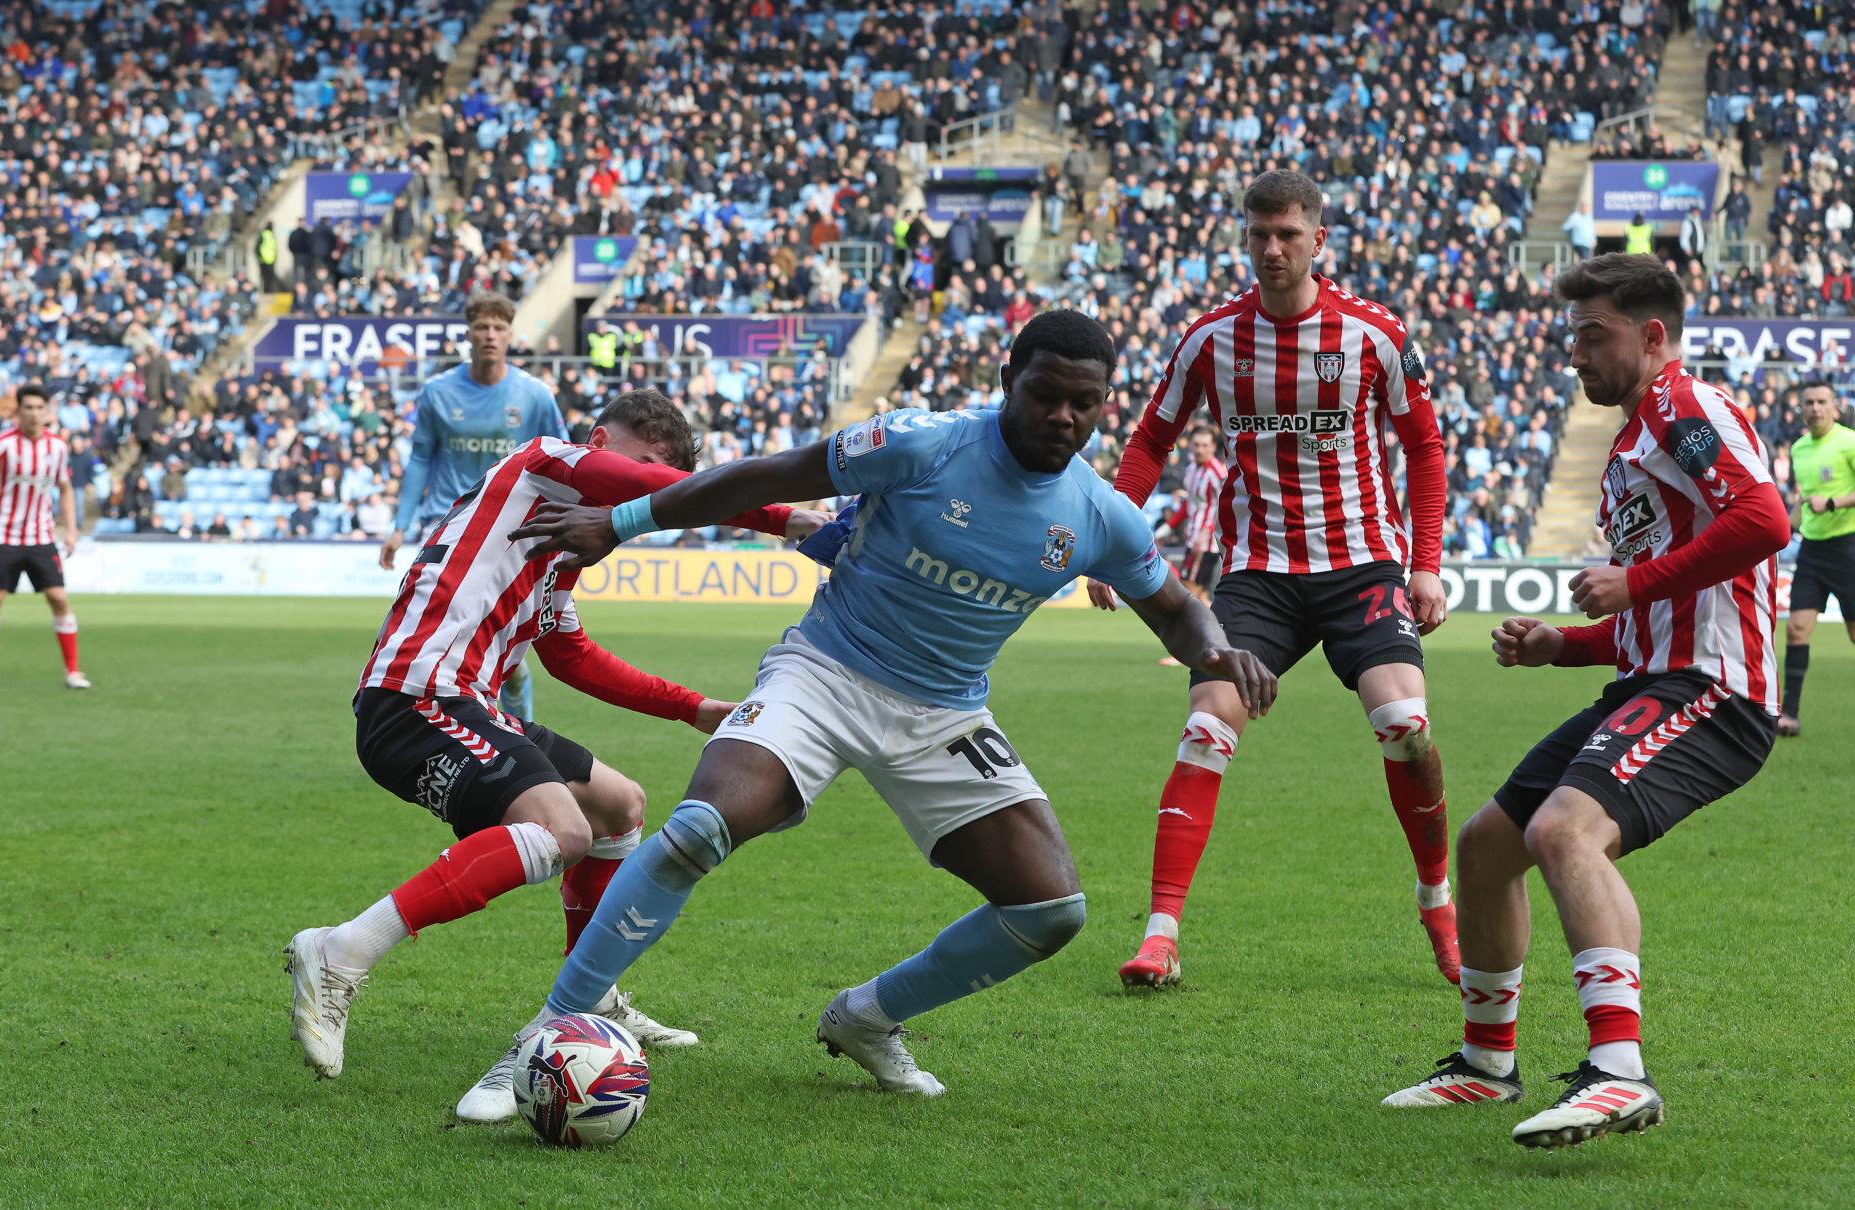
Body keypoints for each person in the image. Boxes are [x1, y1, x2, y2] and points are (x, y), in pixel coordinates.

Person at [502, 310, 1278, 1096]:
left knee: (1050, 911)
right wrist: (623, 521)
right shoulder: (923, 442)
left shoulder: (1100, 514)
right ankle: (550, 1031)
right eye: (1046, 394)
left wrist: (1219, 651)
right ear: (1009, 381)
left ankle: (868, 1017)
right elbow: (771, 474)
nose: (1063, 417)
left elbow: (1176, 611)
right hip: (825, 673)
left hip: (945, 714)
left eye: (1085, 403)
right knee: (699, 828)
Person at [283, 390, 829, 1109]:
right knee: (562, 830)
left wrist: (691, 708)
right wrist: (782, 517)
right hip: (415, 697)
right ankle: (342, 950)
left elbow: (571, 657)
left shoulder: (558, 547)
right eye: (644, 464)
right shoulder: (546, 461)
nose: (648, 488)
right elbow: (650, 489)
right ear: (599, 442)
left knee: (619, 805)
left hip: (468, 703)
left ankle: (590, 993)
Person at [1384, 254, 1789, 1149]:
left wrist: (1633, 581)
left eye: (1593, 336)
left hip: (1716, 690)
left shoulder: (1683, 406)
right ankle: (1487, 1064)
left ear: (1653, 336)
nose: (1575, 355)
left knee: (1564, 832)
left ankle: (1619, 1072)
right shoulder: (1637, 437)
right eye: (1572, 337)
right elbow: (1657, 615)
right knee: (1486, 847)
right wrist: (1562, 645)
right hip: (1653, 681)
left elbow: (1765, 521)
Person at [1089, 170, 1454, 989]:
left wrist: (1426, 564)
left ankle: (1436, 898)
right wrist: (1111, 535)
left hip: (1362, 566)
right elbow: (1150, 441)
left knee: (1405, 724)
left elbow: (1424, 448)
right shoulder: (1210, 338)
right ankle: (1160, 934)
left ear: (1318, 239)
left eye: (1288, 234)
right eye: (1259, 234)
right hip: (1260, 574)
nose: (1272, 249)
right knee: (1206, 726)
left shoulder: (1374, 334)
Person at [381, 292, 565, 724]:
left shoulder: (535, 396)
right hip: (447, 527)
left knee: (505, 656)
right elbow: (420, 458)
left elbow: (564, 458)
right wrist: (400, 526)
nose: (490, 335)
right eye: (482, 327)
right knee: (435, 640)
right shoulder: (438, 392)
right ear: (468, 333)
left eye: (499, 328)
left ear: (511, 334)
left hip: (510, 531)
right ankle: (439, 723)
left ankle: (514, 730)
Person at [0, 384, 88, 690]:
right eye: (28, 407)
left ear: (47, 411)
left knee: (58, 598)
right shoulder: (3, 445)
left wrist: (71, 530)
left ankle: (73, 671)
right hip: (4, 536)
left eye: (39, 408)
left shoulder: (57, 447)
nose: (34, 413)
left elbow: (65, 490)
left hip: (41, 536)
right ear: (19, 411)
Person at [1777, 380, 1855, 736]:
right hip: (1812, 549)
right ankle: (1789, 715)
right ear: (1802, 409)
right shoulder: (1799, 449)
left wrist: (1834, 503)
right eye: (1809, 402)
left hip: (1849, 548)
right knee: (1796, 628)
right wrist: (1781, 529)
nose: (1815, 408)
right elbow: (1805, 500)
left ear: (1834, 406)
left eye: (1822, 401)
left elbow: (1825, 500)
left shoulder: (1849, 441)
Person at [1155, 425, 1226, 648]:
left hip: (1205, 544)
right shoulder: (1192, 469)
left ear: (1213, 447)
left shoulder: (1218, 473)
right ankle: (1219, 642)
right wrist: (1165, 531)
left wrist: (1206, 532)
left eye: (1205, 445)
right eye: (1196, 444)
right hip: (1192, 539)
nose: (1199, 449)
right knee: (1197, 596)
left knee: (1191, 595)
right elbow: (1188, 505)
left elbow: (1225, 505)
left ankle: (1198, 645)